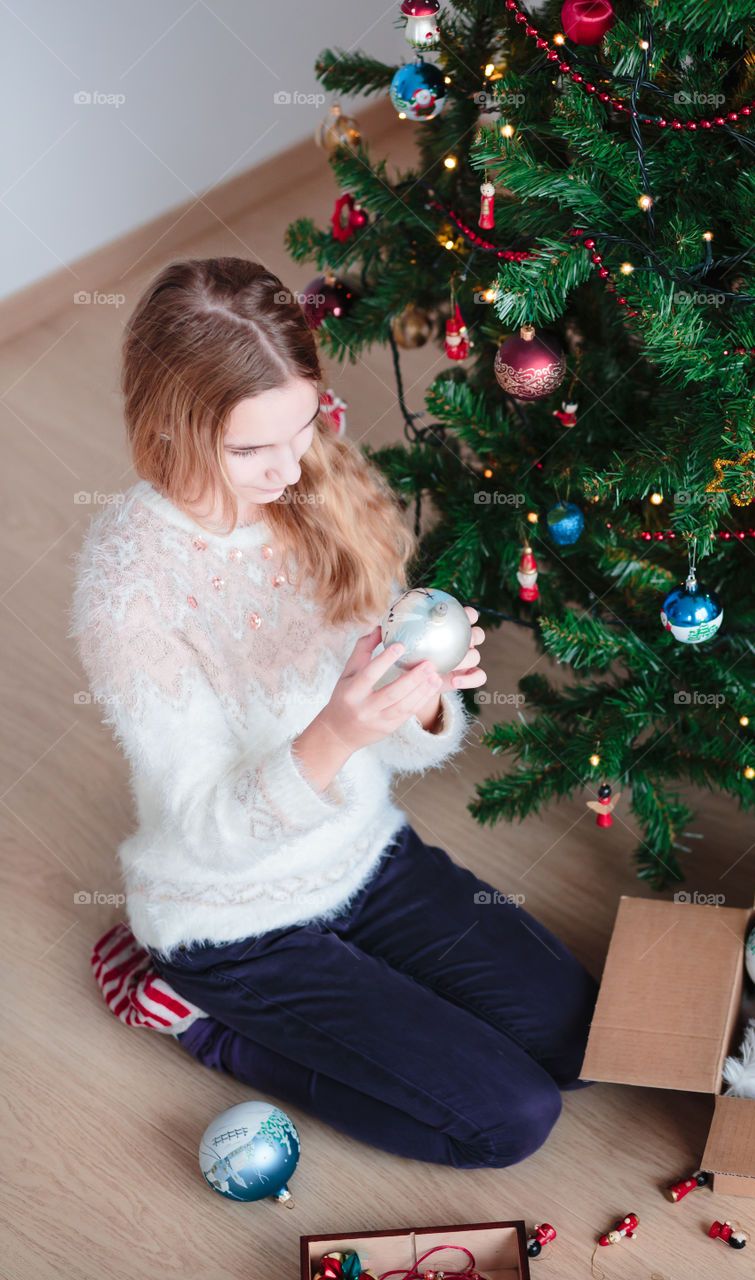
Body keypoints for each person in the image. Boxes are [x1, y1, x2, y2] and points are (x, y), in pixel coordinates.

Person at [69, 257, 598, 1170]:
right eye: (249, 450)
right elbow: (205, 830)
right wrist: (333, 734)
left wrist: (418, 703)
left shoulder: (317, 494)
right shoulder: (130, 590)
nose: (287, 469)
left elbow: (394, 758)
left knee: (583, 1041)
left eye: (302, 426)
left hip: (364, 857)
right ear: (169, 423)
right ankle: (202, 1022)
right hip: (231, 917)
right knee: (509, 1121)